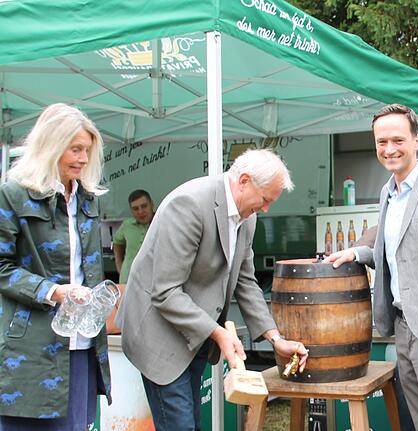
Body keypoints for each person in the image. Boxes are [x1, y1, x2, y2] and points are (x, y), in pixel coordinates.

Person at [116, 149, 309, 431]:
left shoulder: (248, 216)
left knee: (191, 422)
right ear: (244, 180)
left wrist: (275, 338)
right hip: (158, 335)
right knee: (180, 426)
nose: (266, 208)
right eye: (265, 199)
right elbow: (165, 292)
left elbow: (245, 280)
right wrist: (218, 333)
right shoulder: (190, 204)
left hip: (195, 334)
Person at [326, 104, 418, 430]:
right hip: (402, 328)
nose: (389, 149)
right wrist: (358, 254)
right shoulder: (388, 192)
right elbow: (394, 249)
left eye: (397, 140)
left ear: (416, 140)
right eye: (382, 142)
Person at [0, 103, 112, 429]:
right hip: (32, 348)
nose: (83, 159)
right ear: (51, 147)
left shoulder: (89, 199)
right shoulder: (13, 195)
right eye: (75, 149)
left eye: (87, 151)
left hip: (82, 343)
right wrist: (51, 291)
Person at [112, 189, 154, 284]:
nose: (140, 211)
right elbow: (117, 242)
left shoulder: (161, 223)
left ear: (152, 204)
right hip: (128, 281)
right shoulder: (127, 225)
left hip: (152, 282)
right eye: (135, 208)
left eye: (144, 206)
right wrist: (119, 265)